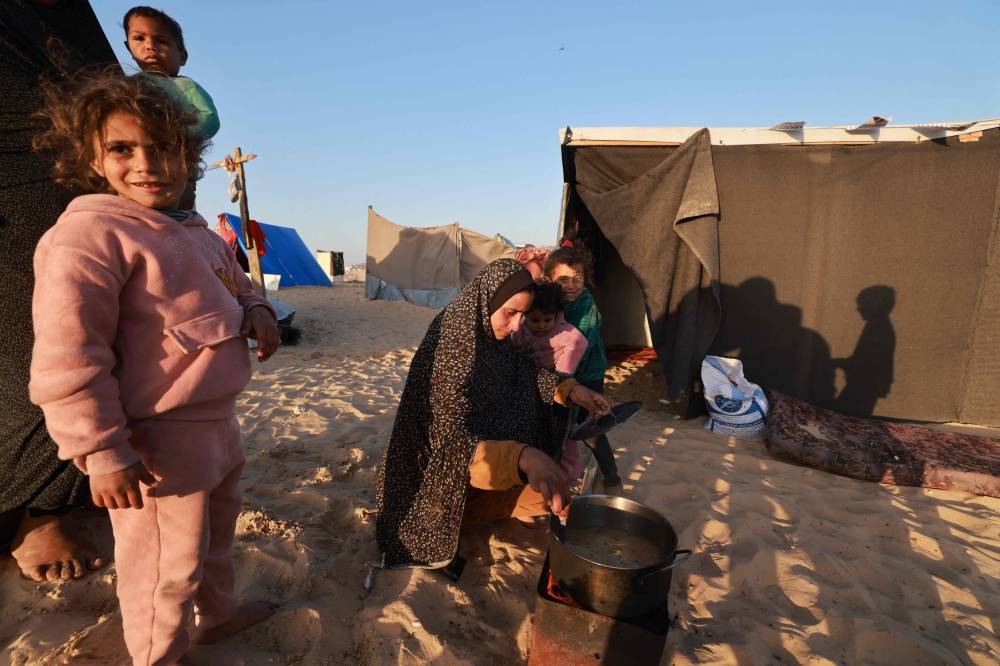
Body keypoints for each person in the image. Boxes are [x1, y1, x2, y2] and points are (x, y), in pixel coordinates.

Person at [29, 71, 278, 664]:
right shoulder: (88, 237)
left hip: (217, 424)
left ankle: (217, 617)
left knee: (216, 538)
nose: (148, 164)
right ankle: (155, 655)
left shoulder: (194, 230)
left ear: (189, 156)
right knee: (164, 567)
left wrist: (258, 307)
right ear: (92, 155)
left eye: (165, 148)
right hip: (155, 441)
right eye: (123, 148)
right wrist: (102, 450)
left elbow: (235, 282)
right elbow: (69, 357)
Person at [375, 258, 611, 568]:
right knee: (531, 477)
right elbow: (450, 442)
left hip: (483, 452)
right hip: (435, 475)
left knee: (548, 493)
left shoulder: (494, 336)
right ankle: (471, 509)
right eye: (511, 313)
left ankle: (488, 502)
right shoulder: (452, 345)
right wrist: (522, 457)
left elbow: (527, 373)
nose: (516, 326)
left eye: (523, 315)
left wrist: (572, 390)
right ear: (488, 300)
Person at [0, 0, 119, 584]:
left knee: (79, 326)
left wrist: (251, 306)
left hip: (44, 145)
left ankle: (53, 498)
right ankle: (42, 504)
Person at [123, 5, 220, 209]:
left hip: (179, 173)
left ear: (182, 56)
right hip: (137, 175)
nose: (150, 46)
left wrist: (171, 133)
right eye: (139, 38)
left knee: (181, 222)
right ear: (128, 48)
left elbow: (210, 119)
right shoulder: (125, 87)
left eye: (162, 41)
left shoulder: (184, 86)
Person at [545, 244, 622, 490]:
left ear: (585, 279)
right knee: (558, 427)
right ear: (550, 279)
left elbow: (581, 346)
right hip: (561, 375)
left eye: (577, 279)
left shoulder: (587, 306)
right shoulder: (551, 300)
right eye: (563, 279)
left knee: (591, 428)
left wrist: (562, 378)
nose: (570, 285)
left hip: (587, 373)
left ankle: (612, 478)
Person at [511, 281, 588, 481]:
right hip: (530, 392)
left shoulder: (567, 334)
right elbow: (513, 352)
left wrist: (561, 375)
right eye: (535, 320)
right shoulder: (519, 331)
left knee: (563, 438)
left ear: (556, 316)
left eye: (547, 320)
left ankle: (568, 475)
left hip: (559, 393)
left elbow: (578, 346)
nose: (542, 326)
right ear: (525, 315)